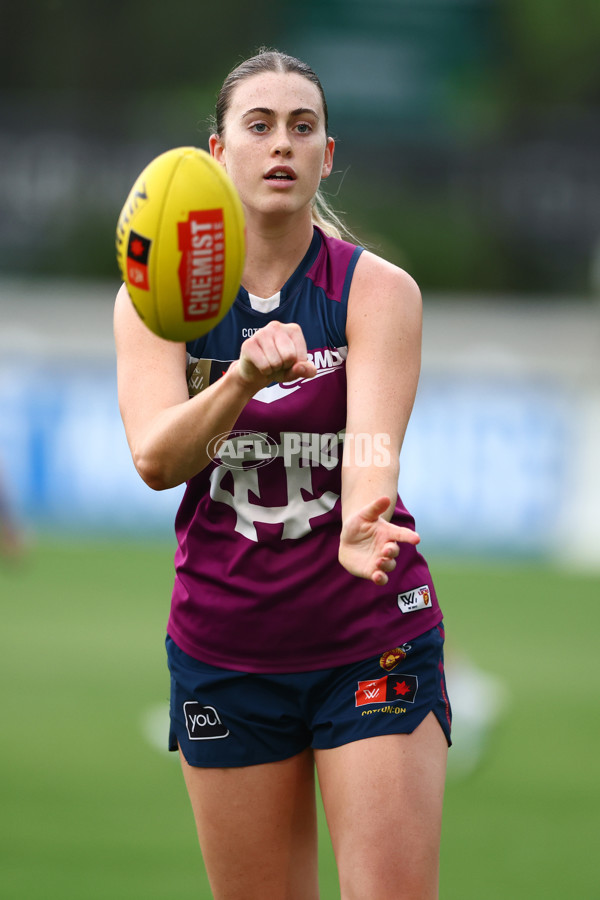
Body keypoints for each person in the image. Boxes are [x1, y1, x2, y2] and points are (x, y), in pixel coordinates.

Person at [115, 48, 451, 900]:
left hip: (369, 633)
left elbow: (373, 446)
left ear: (326, 155)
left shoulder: (377, 292)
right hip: (225, 651)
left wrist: (358, 526)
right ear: (218, 153)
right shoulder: (156, 298)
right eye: (258, 126)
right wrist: (241, 379)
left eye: (303, 128)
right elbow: (156, 459)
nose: (282, 145)